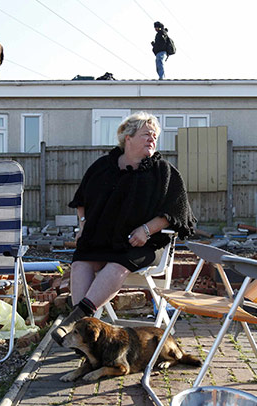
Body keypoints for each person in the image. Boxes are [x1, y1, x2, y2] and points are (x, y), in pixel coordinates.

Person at [52, 112, 196, 346]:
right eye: (146, 135)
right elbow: (82, 201)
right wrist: (83, 225)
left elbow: (177, 213)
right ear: (127, 138)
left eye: (155, 136)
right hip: (102, 239)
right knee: (80, 263)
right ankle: (83, 334)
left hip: (142, 244)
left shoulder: (163, 171)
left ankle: (75, 322)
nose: (152, 140)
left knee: (117, 264)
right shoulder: (103, 167)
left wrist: (146, 230)